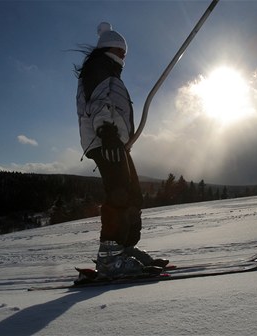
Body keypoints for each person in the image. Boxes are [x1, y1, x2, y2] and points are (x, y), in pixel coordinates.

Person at [74, 22, 168, 279]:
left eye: (125, 51)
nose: (124, 55)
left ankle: (124, 249)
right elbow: (98, 103)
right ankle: (109, 258)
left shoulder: (108, 71)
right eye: (120, 49)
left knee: (133, 195)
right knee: (119, 194)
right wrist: (107, 132)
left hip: (115, 142)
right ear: (108, 48)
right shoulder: (98, 69)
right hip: (106, 141)